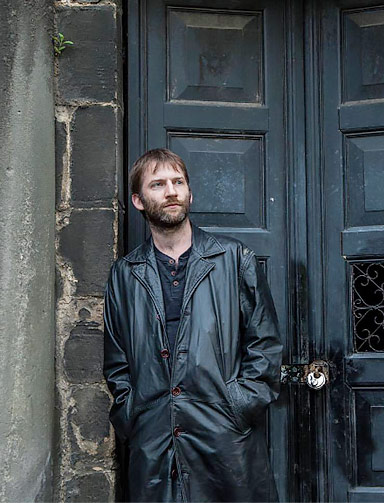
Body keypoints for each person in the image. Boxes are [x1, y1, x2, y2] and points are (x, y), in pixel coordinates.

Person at [103, 148, 283, 502]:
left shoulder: (234, 260)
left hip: (225, 438)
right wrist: (133, 414)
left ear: (190, 193)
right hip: (154, 440)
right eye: (158, 184)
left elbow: (264, 346)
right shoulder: (125, 274)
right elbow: (116, 361)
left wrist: (238, 405)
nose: (171, 191)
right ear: (139, 201)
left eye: (178, 182)